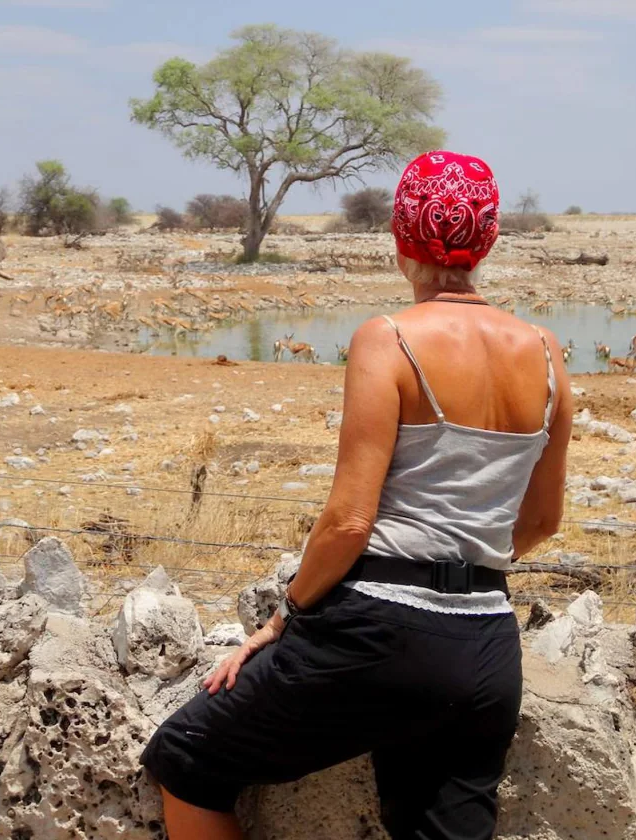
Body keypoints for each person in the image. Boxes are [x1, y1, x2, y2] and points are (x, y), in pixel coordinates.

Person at [141, 150, 573, 840]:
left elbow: (347, 523)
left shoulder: (389, 338)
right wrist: (461, 567)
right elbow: (544, 519)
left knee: (186, 757)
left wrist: (288, 615)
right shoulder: (546, 351)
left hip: (380, 634)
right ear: (487, 241)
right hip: (488, 647)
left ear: (400, 239)